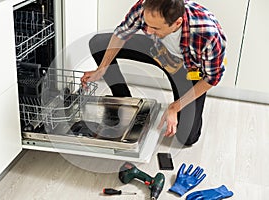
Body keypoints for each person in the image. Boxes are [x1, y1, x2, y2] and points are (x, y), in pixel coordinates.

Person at [81, 0, 226, 146]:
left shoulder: (206, 34)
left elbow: (212, 78)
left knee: (187, 138)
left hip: (188, 70)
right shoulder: (146, 7)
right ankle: (123, 99)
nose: (147, 31)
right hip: (158, 50)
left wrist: (175, 107)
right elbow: (121, 34)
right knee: (99, 44)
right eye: (146, 24)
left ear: (177, 23)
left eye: (155, 27)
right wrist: (102, 68)